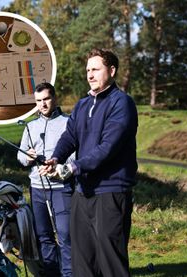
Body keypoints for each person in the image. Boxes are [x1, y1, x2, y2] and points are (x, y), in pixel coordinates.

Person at [39, 49, 138, 277]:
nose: (90, 75)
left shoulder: (122, 103)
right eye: (87, 70)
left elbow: (108, 147)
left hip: (111, 191)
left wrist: (72, 167)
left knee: (110, 262)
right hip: (82, 192)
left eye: (95, 69)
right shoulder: (83, 105)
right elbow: (70, 137)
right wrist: (56, 158)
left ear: (111, 71)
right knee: (82, 262)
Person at [17, 82, 73, 277]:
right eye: (39, 101)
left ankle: (69, 274)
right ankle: (51, 273)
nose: (43, 104)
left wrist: (58, 168)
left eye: (46, 99)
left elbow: (76, 154)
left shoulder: (68, 122)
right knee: (44, 236)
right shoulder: (30, 126)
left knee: (65, 235)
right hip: (37, 188)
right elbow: (20, 156)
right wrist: (28, 157)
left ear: (55, 98)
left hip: (62, 187)